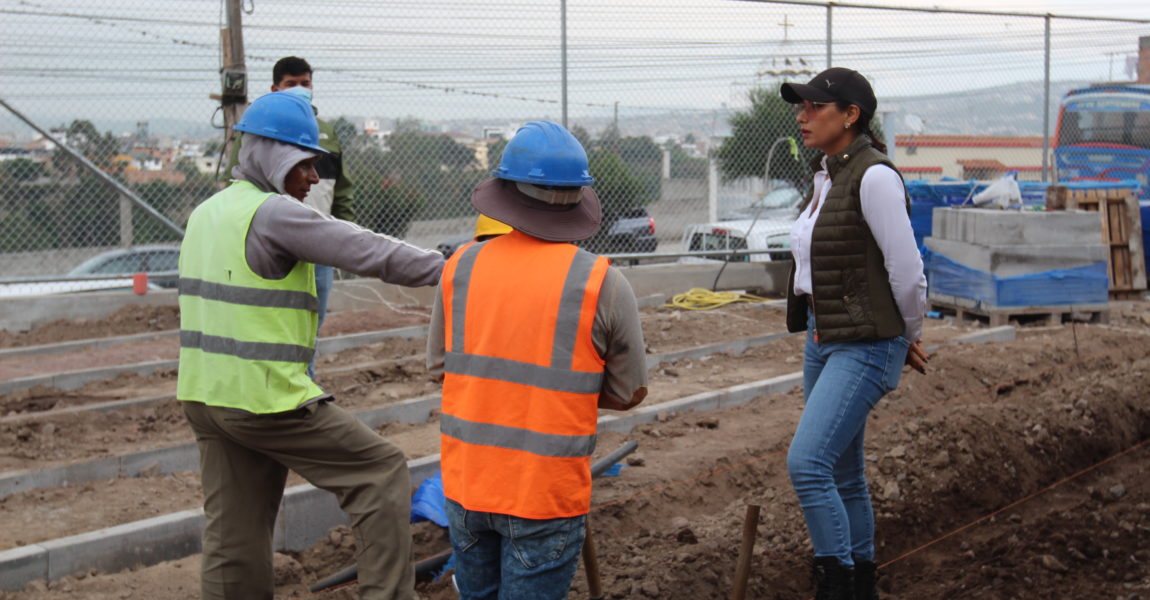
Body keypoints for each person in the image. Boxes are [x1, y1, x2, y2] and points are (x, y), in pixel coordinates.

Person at [179, 90, 443, 600]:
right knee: (379, 471)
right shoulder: (275, 214)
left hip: (207, 398)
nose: (315, 178)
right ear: (275, 156)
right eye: (306, 164)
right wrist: (456, 268)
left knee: (234, 536)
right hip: (264, 399)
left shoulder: (207, 213)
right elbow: (369, 250)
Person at [426, 121, 649, 600]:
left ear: (506, 194)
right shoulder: (601, 283)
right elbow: (628, 392)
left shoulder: (459, 267)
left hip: (467, 486)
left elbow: (442, 367)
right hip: (543, 496)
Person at [779, 68, 929, 600]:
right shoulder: (826, 177)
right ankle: (861, 585)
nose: (801, 116)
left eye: (814, 106)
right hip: (824, 336)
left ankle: (837, 585)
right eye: (800, 107)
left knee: (808, 462)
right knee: (843, 473)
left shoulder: (874, 177)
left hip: (865, 343)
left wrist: (905, 333)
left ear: (850, 115)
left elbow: (907, 271)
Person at [224, 56, 355, 378]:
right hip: (270, 247)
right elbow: (238, 182)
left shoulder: (326, 133)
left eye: (305, 83)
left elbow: (341, 187)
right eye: (291, 84)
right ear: (274, 88)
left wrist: (344, 233)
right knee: (274, 324)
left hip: (319, 246)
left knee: (310, 325)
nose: (300, 90)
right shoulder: (258, 130)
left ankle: (302, 389)